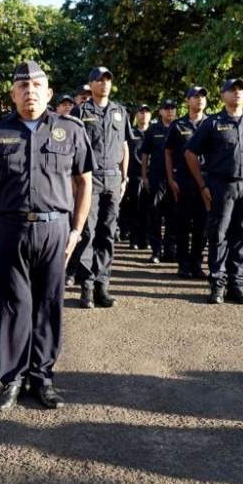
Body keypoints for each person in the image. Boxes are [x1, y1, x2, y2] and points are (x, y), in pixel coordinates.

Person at [0, 60, 93, 412]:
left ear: (49, 92)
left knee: (49, 303)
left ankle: (42, 377)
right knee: (13, 304)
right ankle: (12, 379)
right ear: (12, 94)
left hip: (55, 228)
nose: (30, 92)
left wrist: (76, 231)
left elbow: (85, 182)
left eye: (37, 86)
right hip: (10, 228)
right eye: (23, 87)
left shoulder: (70, 130)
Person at [185, 78, 243, 304]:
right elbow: (190, 154)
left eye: (241, 90)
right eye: (232, 90)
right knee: (219, 234)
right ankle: (217, 285)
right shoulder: (212, 123)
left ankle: (237, 286)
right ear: (222, 95)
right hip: (220, 185)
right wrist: (202, 185)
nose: (238, 93)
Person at [70, 66, 130, 309]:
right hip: (89, 179)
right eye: (99, 80)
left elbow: (124, 145)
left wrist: (125, 177)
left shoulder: (120, 111)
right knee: (87, 233)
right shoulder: (80, 111)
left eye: (107, 80)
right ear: (91, 84)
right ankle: (86, 287)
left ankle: (102, 287)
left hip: (113, 179)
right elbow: (72, 148)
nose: (104, 84)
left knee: (107, 234)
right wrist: (74, 181)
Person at [164, 87, 209, 279]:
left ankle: (196, 264)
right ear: (187, 100)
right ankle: (183, 264)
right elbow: (168, 152)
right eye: (195, 97)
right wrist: (171, 179)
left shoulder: (211, 123)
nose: (199, 100)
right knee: (182, 225)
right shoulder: (178, 125)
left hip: (206, 182)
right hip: (183, 181)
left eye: (202, 97)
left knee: (202, 225)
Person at [141, 98, 176, 264]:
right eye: (166, 108)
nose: (170, 111)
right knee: (155, 214)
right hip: (157, 177)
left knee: (173, 215)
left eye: (172, 108)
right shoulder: (153, 129)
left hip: (176, 178)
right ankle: (156, 251)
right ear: (160, 111)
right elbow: (145, 154)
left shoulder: (180, 127)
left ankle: (170, 251)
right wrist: (144, 176)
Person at [118, 104, 151, 249]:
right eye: (141, 112)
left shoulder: (155, 131)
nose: (144, 115)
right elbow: (123, 153)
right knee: (134, 209)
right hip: (134, 176)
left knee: (150, 210)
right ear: (136, 115)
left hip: (153, 176)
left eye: (147, 112)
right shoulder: (130, 133)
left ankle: (146, 239)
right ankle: (134, 239)